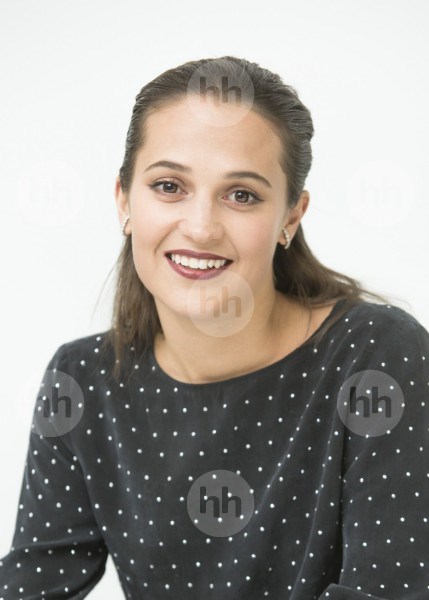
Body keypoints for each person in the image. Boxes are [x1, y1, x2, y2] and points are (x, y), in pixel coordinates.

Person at [0, 56, 428, 600]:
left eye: (241, 195)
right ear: (124, 201)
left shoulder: (378, 355)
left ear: (290, 218)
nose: (201, 228)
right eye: (169, 186)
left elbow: (389, 591)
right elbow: (32, 583)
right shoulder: (83, 378)